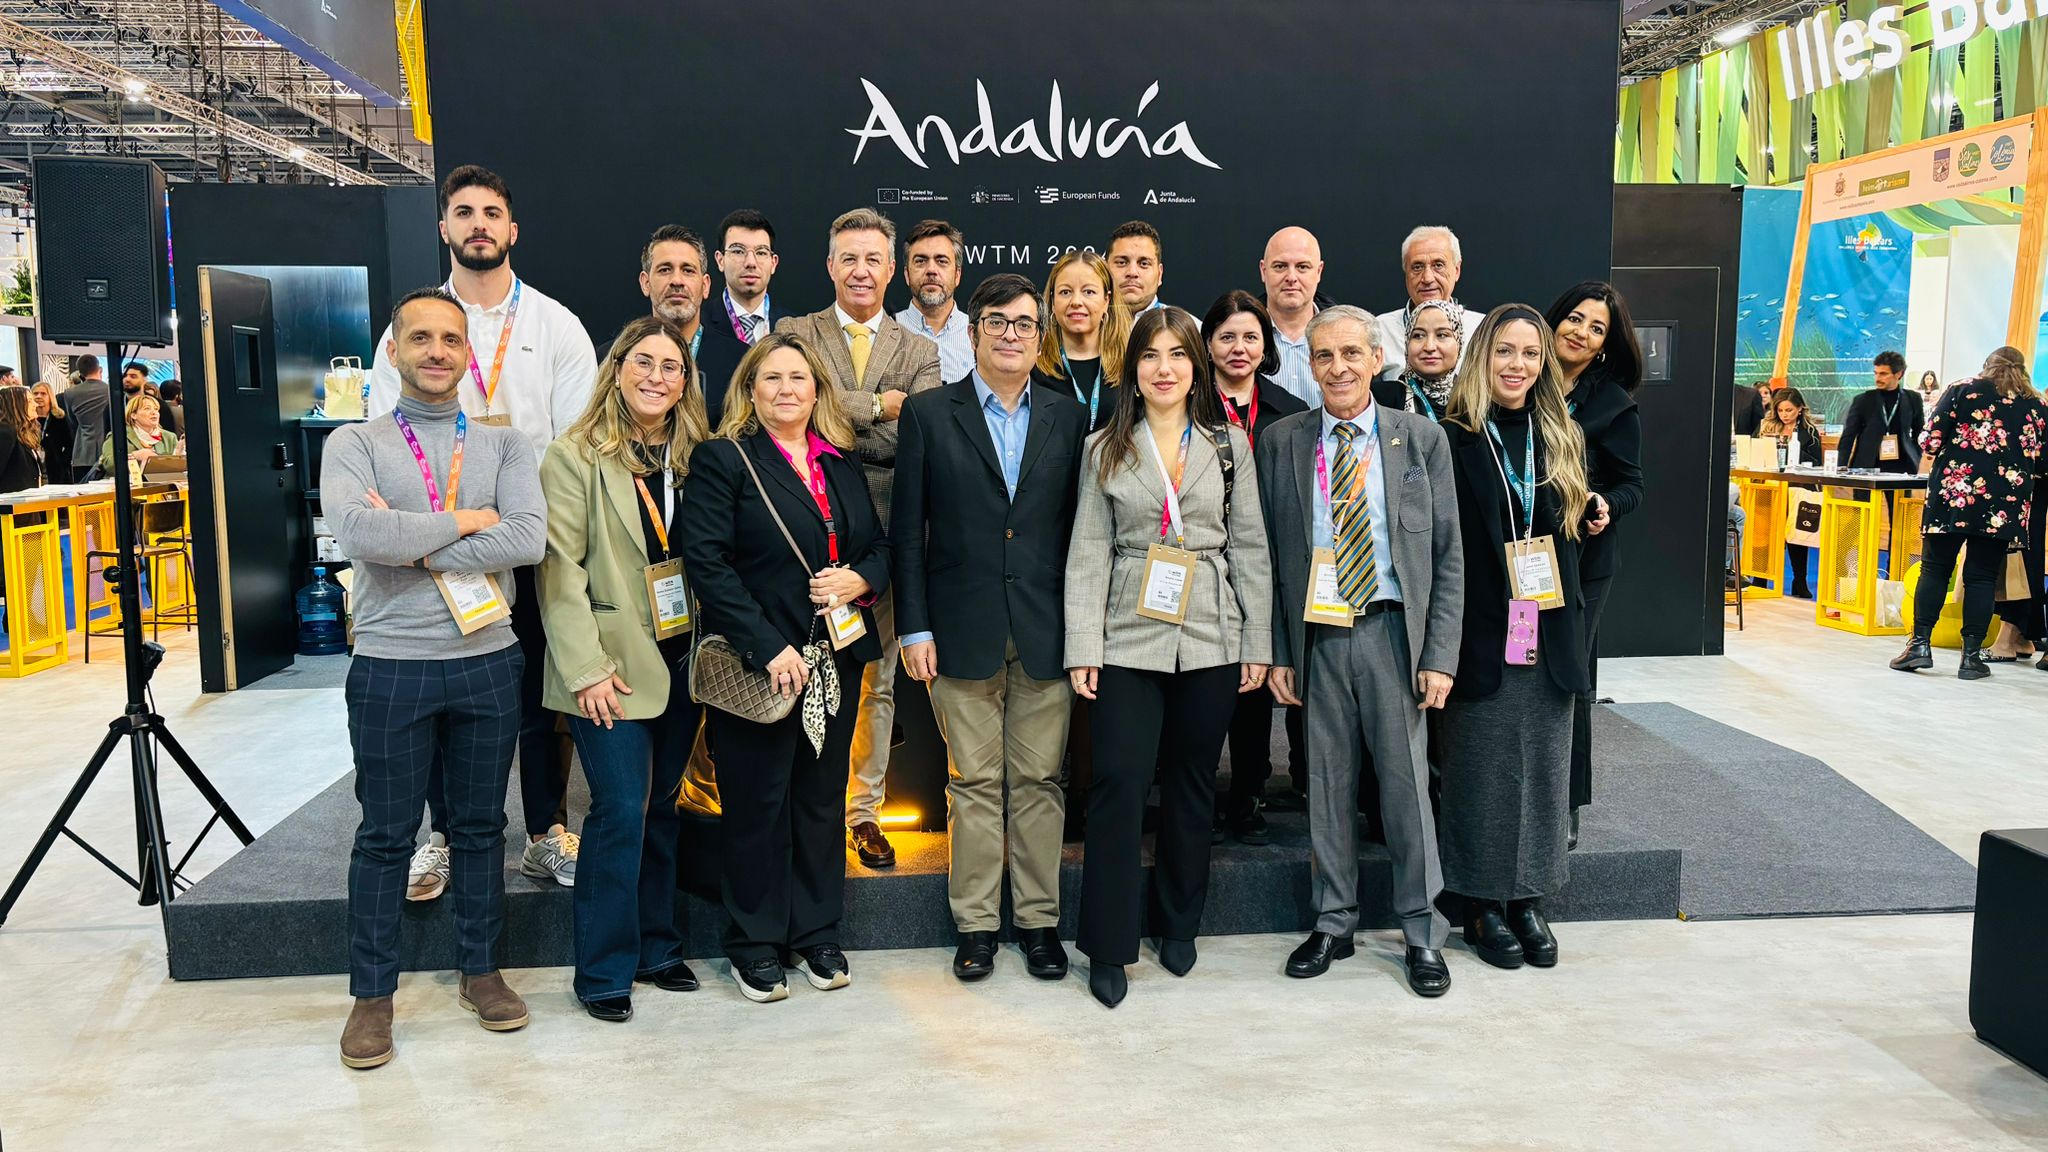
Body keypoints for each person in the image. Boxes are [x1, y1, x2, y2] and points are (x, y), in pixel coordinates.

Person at [323, 287, 547, 1070]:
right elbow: (357, 531)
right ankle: (372, 997)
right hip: (391, 666)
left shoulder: (504, 446)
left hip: (487, 659)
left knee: (481, 829)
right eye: (420, 338)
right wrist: (470, 521)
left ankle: (481, 972)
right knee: (386, 836)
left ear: (467, 353)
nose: (437, 351)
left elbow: (528, 539)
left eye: (451, 339)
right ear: (394, 351)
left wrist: (410, 540)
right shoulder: (354, 442)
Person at [368, 165, 598, 898]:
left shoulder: (556, 325)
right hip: (442, 552)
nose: (478, 225)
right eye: (464, 212)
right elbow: (384, 440)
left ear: (512, 229)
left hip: (534, 545)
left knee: (540, 699)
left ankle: (545, 833)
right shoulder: (411, 329)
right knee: (445, 700)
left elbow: (578, 441)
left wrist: (524, 524)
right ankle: (440, 839)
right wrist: (440, 534)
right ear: (444, 227)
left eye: (491, 213)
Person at [1064, 306, 1273, 1008]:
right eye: (1150, 355)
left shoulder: (1227, 445)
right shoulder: (1103, 447)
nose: (1164, 368)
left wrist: (1257, 641)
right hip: (1126, 632)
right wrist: (1083, 647)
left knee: (1191, 782)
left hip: (1211, 630)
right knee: (1119, 782)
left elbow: (1250, 547)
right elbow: (1087, 551)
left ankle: (1180, 923)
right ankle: (1108, 944)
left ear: (1196, 366)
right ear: (1133, 367)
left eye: (1178, 355)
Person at [677, 332, 891, 1003]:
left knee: (821, 800)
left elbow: (878, 548)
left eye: (799, 377)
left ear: (817, 390)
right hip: (763, 665)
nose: (787, 389)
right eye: (772, 378)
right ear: (750, 389)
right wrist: (767, 646)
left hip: (836, 659)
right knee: (757, 805)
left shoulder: (839, 462)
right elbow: (706, 561)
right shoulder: (725, 459)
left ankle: (817, 933)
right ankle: (755, 942)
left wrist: (860, 579)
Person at [1256, 305, 1460, 997]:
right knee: (1325, 783)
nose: (1338, 367)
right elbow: (1268, 558)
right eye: (1324, 356)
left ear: (1377, 359)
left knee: (1405, 788)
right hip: (1317, 633)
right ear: (1310, 366)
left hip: (1392, 631)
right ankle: (1333, 920)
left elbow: (1449, 555)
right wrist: (1279, 649)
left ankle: (1422, 931)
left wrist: (1440, 654)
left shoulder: (1421, 439)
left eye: (1351, 353)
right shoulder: (1282, 441)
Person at [893, 273, 1086, 982]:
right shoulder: (928, 414)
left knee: (1039, 782)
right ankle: (975, 926)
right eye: (997, 322)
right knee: (972, 783)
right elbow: (907, 532)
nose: (1011, 334)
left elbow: (1083, 533)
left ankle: (1038, 923)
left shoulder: (1069, 416)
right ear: (972, 334)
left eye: (1025, 323)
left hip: (1047, 631)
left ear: (1041, 337)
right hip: (957, 630)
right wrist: (914, 628)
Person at [538, 316, 711, 1023]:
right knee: (618, 808)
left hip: (682, 656)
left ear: (685, 382)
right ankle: (604, 970)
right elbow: (560, 572)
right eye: (643, 361)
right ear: (617, 368)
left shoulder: (697, 454)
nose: (656, 377)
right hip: (609, 665)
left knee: (663, 805)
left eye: (671, 367)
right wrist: (586, 669)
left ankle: (656, 948)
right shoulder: (574, 456)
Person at [776, 208, 943, 870]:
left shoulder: (920, 352)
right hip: (801, 539)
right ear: (829, 265)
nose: (861, 270)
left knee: (876, 681)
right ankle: (802, 804)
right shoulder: (795, 333)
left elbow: (917, 434)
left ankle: (862, 812)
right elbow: (792, 413)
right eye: (849, 257)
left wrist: (829, 412)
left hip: (885, 545)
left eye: (873, 258)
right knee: (797, 671)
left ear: (892, 268)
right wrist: (878, 406)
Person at [1437, 304, 1594, 972]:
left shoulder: (1561, 435)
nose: (1518, 365)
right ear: (1482, 357)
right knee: (1481, 773)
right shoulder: (1451, 439)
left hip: (1548, 630)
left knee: (1544, 774)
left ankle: (1529, 897)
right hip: (1479, 632)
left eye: (1531, 354)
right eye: (1505, 351)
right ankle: (1480, 903)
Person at [1201, 290, 1308, 845]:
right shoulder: (1185, 402)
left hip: (1267, 560)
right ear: (1208, 344)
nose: (1238, 348)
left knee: (1256, 678)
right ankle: (1197, 800)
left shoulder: (1290, 411)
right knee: (1203, 683)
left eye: (1250, 337)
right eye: (1227, 337)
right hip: (1199, 559)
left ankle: (1248, 794)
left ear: (1266, 345)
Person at [1548, 282, 1644, 848]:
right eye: (1575, 318)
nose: (1581, 332)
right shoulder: (1519, 377)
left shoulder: (1613, 403)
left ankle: (1566, 803)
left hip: (1585, 558)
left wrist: (1606, 504)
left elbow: (1633, 485)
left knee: (1570, 675)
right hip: (1520, 556)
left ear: (1606, 343)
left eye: (1597, 328)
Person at [1892, 346, 2048, 681]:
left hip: (1953, 495)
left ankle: (1919, 646)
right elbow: (2042, 459)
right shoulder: (2036, 405)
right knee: (1982, 577)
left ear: (1986, 366)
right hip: (2003, 503)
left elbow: (1929, 441)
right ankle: (1971, 659)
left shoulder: (1962, 389)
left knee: (1935, 569)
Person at [641, 223, 744, 430]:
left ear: (705, 286)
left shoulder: (741, 362)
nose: (677, 281)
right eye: (665, 270)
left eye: (688, 270)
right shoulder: (614, 359)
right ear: (646, 283)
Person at [1031, 250, 1131, 434]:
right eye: (1065, 292)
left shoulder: (1130, 365)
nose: (1076, 301)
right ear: (1052, 301)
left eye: (1089, 292)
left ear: (1106, 300)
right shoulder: (1033, 368)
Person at [1375, 226, 1486, 380]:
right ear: (1406, 273)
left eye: (1438, 265)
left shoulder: (1483, 329)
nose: (1427, 278)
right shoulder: (1381, 329)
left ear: (1457, 270)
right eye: (1417, 267)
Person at [1259, 226, 1333, 405]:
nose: (1291, 277)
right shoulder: (1241, 339)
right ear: (1263, 271)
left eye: (1302, 267)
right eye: (1280, 266)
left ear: (1319, 272)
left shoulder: (1346, 334)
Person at [1761, 387, 1824, 599]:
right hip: (1770, 486)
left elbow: (1816, 462)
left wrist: (1791, 450)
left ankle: (1800, 580)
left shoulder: (1809, 431)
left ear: (1799, 409)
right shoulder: (1766, 426)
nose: (1784, 415)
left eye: (1789, 410)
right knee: (1766, 534)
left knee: (1797, 534)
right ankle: (1760, 577)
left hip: (1798, 488)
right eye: (1780, 410)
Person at [896, 219, 973, 382]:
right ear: (907, 275)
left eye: (942, 261)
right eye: (920, 261)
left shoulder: (979, 335)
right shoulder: (885, 331)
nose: (931, 270)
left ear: (957, 275)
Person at [705, 209, 793, 346]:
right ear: (720, 260)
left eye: (761, 252)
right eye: (738, 251)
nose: (751, 263)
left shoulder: (794, 326)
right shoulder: (700, 323)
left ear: (773, 263)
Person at [1373, 300, 1466, 420]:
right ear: (1407, 342)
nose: (1429, 347)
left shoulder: (1476, 400)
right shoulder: (1380, 400)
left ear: (1459, 342)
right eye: (1418, 336)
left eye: (1442, 335)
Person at [1836, 350, 1925, 474]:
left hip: (1903, 468)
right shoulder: (1863, 400)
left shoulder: (1912, 398)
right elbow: (1848, 435)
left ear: (1898, 374)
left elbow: (1919, 432)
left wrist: (1916, 454)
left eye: (1883, 374)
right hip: (1867, 466)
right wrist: (1841, 466)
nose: (1878, 378)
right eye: (1876, 373)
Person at [98, 393, 179, 472]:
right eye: (147, 408)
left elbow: (177, 466)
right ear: (133, 415)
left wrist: (180, 453)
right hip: (129, 480)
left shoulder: (169, 437)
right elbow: (108, 465)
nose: (154, 412)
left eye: (156, 409)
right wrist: (134, 455)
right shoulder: (119, 436)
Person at [60, 354, 109, 482]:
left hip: (82, 451)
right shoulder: (110, 390)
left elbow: (72, 421)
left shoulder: (70, 393)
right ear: (100, 370)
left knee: (82, 491)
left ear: (80, 373)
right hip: (108, 450)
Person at [1106, 220, 1168, 313]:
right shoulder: (1086, 321)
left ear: (1159, 274)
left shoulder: (1186, 322)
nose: (1132, 272)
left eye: (1144, 264)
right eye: (1121, 263)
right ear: (1105, 271)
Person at [0, 384, 43, 491]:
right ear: (15, 405)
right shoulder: (5, 433)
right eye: (29, 401)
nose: (36, 404)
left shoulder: (23, 434)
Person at [28, 381, 71, 487]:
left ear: (50, 397)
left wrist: (62, 462)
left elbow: (70, 444)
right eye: (35, 393)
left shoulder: (60, 418)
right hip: (33, 468)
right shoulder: (28, 419)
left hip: (57, 470)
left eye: (43, 394)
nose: (38, 396)